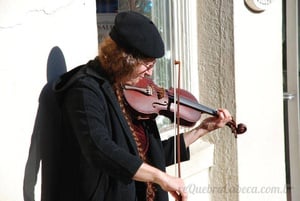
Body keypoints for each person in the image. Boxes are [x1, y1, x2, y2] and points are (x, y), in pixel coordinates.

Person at [43, 11, 233, 201]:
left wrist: (202, 129)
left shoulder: (130, 91)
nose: (150, 73)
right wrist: (161, 177)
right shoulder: (85, 90)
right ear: (125, 60)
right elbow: (99, 149)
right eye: (147, 65)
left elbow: (151, 156)